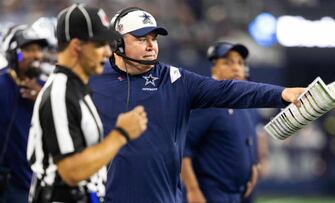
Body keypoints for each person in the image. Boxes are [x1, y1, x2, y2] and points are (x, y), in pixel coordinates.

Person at [89, 7, 304, 203]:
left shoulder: (174, 80)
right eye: (141, 38)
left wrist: (282, 94)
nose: (150, 46)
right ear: (116, 42)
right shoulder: (92, 78)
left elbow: (229, 90)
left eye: (153, 39)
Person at [26, 4, 148, 203]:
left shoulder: (76, 89)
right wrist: (121, 134)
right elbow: (71, 172)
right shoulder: (60, 92)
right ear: (77, 46)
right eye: (100, 44)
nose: (108, 52)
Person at [181, 42, 265, 203]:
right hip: (211, 193)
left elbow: (247, 140)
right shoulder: (208, 102)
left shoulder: (242, 104)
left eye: (240, 63)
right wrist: (193, 189)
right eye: (228, 62)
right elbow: (183, 148)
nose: (236, 68)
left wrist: (253, 166)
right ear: (214, 68)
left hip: (238, 192)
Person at [0, 24, 48, 203]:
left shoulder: (48, 88)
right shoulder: (2, 84)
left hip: (33, 184)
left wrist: (42, 100)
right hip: (7, 185)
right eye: (28, 49)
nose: (37, 55)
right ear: (13, 53)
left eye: (39, 49)